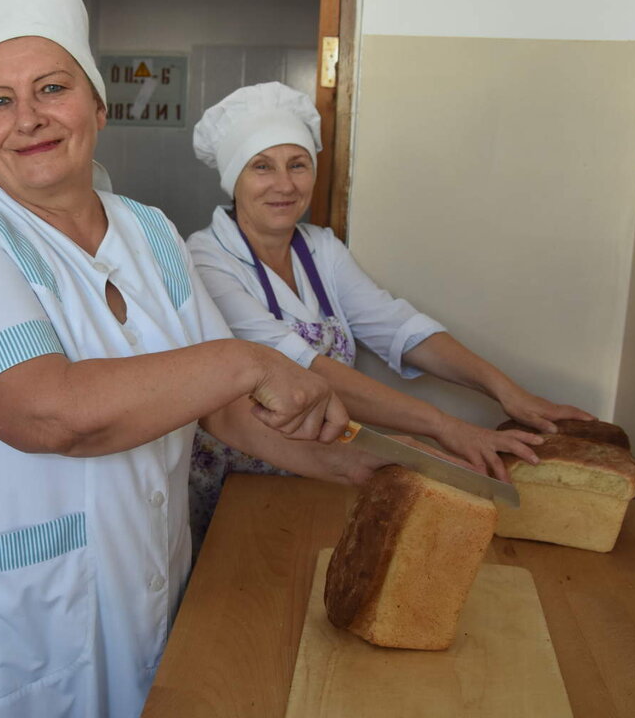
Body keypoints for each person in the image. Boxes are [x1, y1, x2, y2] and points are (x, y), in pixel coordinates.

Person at [0, 0, 389, 718]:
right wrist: (249, 360)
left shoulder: (151, 230)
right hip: (14, 614)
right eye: (0, 101)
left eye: (51, 89)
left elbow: (227, 414)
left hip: (144, 589)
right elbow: (51, 414)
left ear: (98, 103)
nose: (26, 118)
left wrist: (363, 469)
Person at [186, 82, 595, 548]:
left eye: (298, 165)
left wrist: (508, 393)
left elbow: (400, 327)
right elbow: (301, 372)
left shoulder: (320, 248)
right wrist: (446, 428)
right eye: (262, 167)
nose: (284, 184)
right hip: (240, 485)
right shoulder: (205, 260)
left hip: (329, 471)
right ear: (234, 179)